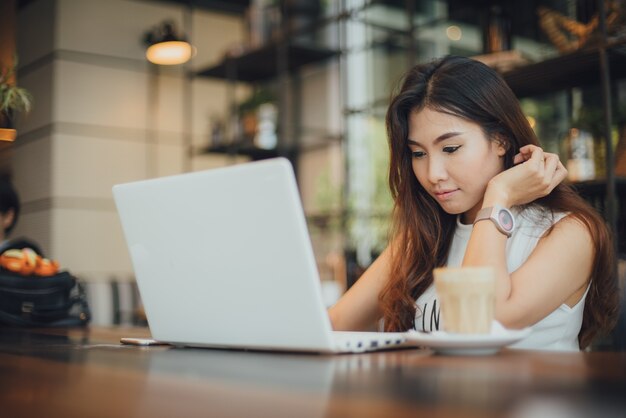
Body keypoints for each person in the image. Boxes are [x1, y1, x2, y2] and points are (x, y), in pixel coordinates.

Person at [328, 55, 619, 351]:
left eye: (451, 148)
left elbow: (483, 324)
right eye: (418, 153)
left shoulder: (571, 233)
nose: (433, 174)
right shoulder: (422, 238)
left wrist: (499, 195)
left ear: (501, 140)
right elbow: (334, 324)